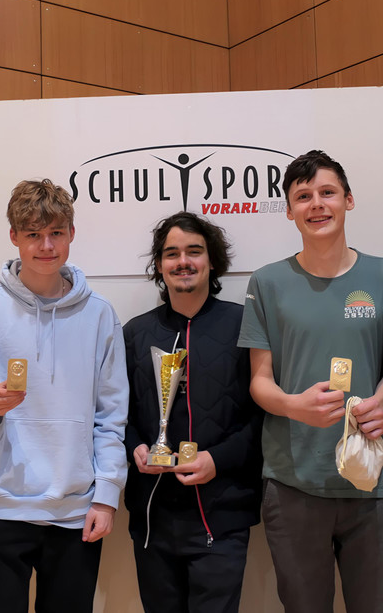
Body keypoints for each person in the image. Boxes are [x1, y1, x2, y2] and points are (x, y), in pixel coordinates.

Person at [0, 179, 128, 613]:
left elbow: (111, 416)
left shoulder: (99, 314)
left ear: (72, 234)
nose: (46, 246)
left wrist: (106, 495)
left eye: (56, 233)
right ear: (14, 237)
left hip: (74, 512)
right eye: (33, 234)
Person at [237, 150, 383, 613]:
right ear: (289, 210)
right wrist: (294, 406)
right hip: (294, 482)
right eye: (303, 196)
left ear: (348, 200)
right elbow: (260, 381)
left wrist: (382, 401)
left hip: (373, 480)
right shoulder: (267, 282)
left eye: (327, 192)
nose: (316, 204)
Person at [123, 212, 262, 613]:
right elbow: (117, 415)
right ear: (159, 265)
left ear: (211, 260)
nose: (183, 261)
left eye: (194, 251)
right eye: (171, 253)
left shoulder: (244, 326)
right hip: (153, 516)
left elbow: (264, 417)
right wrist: (135, 448)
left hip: (222, 514)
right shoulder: (135, 333)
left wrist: (217, 460)